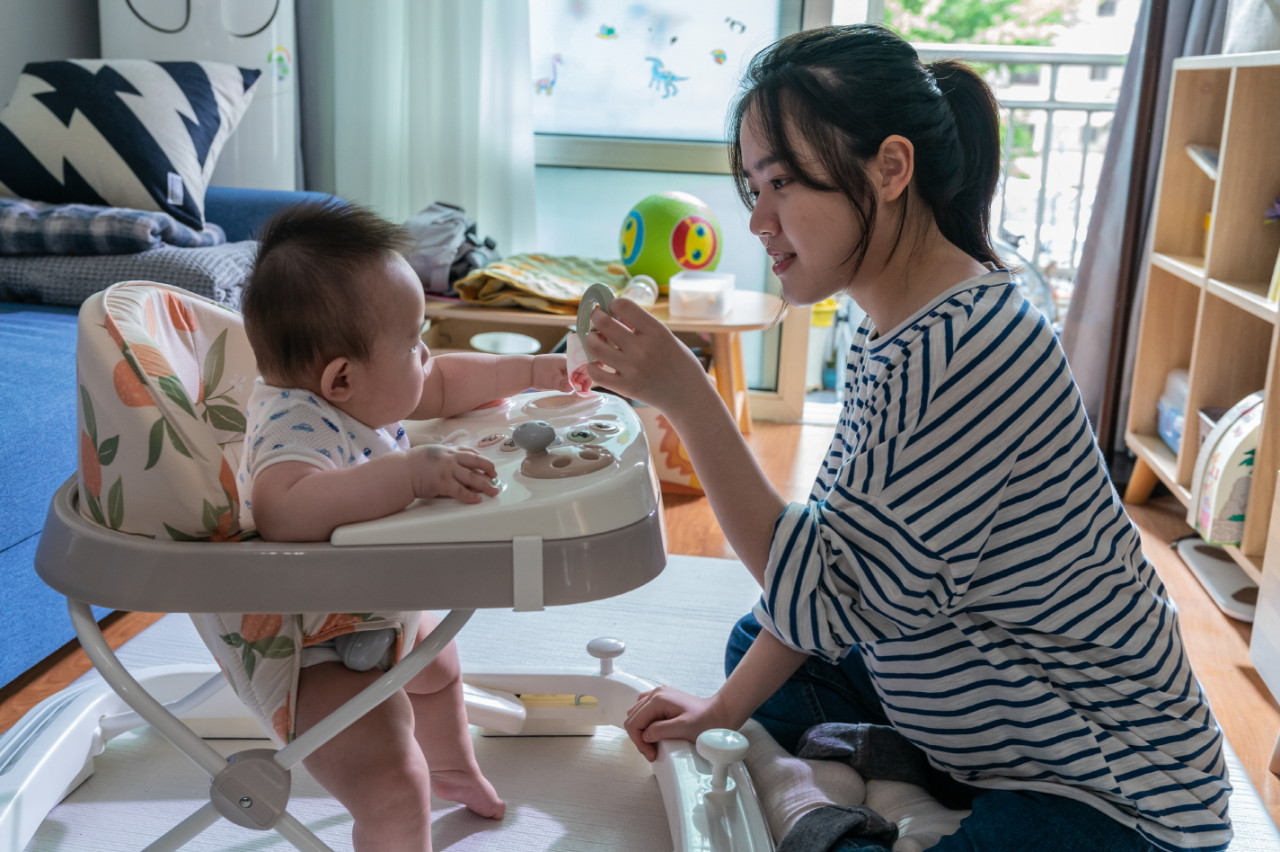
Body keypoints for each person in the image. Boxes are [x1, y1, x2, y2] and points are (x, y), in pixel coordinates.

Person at [587, 24, 1232, 852]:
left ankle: (865, 791)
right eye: (753, 187)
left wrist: (688, 395)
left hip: (1107, 783)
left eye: (780, 183)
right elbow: (832, 548)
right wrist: (721, 712)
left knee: (789, 648)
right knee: (758, 639)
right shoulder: (894, 324)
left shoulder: (972, 345)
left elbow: (821, 592)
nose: (758, 221)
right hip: (984, 709)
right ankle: (903, 775)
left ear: (890, 169)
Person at [238, 199, 571, 851]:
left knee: (440, 670)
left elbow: (444, 381)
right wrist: (410, 475)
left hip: (371, 609)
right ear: (341, 378)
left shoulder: (362, 390)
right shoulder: (292, 429)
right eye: (415, 339)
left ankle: (452, 766)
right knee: (393, 788)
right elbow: (283, 506)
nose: (428, 352)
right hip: (311, 652)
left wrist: (536, 374)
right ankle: (421, 788)